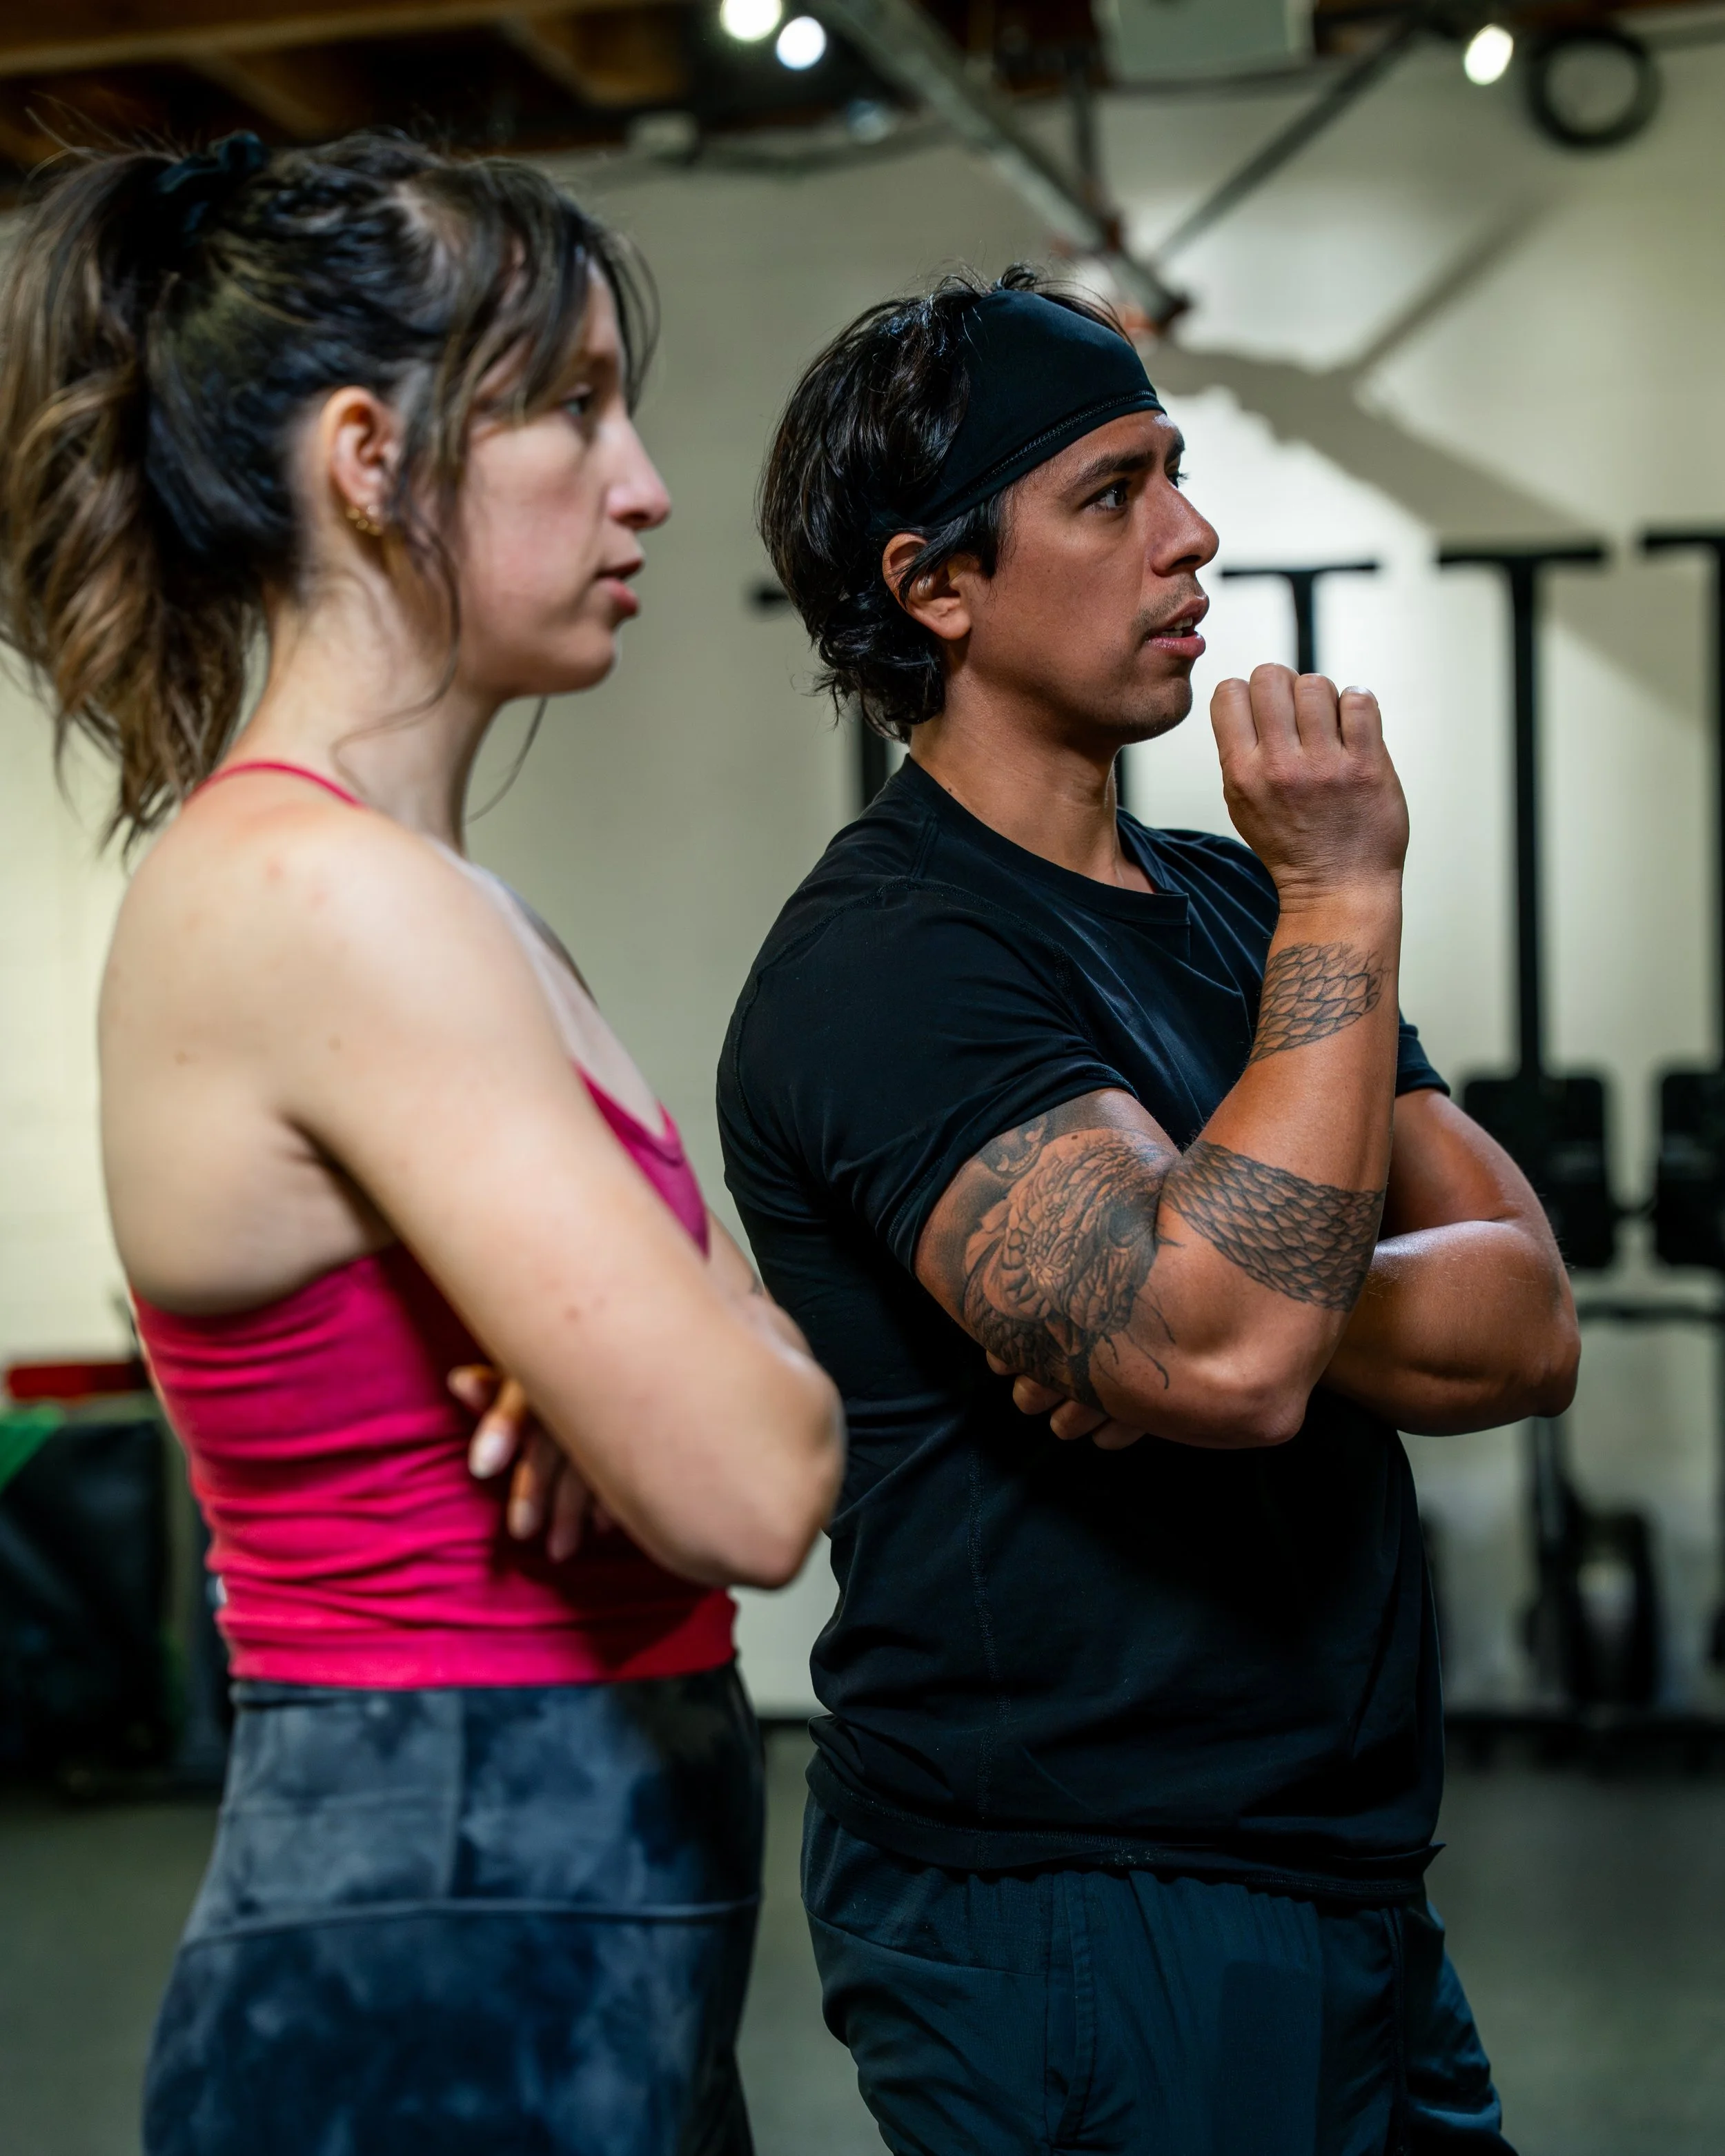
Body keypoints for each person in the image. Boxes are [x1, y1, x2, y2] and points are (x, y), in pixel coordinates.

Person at [0, 131, 843, 2155]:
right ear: (368, 458)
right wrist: (686, 1361)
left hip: (570, 1888)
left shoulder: (449, 904)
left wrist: (667, 1361)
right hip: (438, 1916)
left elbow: (732, 1392)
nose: (640, 481)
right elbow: (757, 1467)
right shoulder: (322, 899)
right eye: (567, 409)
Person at [718, 268, 1579, 2153]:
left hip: (1341, 1874)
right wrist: (1346, 891)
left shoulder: (1213, 905)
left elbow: (1522, 1316)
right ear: (937, 583)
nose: (1190, 536)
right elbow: (1223, 1346)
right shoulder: (891, 962)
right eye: (1109, 493)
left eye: (1172, 474)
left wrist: (1209, 1291)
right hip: (1075, 1901)